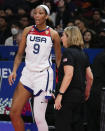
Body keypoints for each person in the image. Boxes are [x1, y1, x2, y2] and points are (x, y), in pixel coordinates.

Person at [8, 5, 61, 131]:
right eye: (35, 13)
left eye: (40, 13)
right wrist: (14, 70)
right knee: (14, 113)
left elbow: (58, 59)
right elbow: (19, 54)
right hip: (27, 74)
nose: (37, 15)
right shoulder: (27, 30)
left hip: (43, 76)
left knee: (39, 118)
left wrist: (60, 82)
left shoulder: (53, 34)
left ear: (46, 16)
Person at [55, 26, 93, 131]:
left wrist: (60, 94)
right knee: (77, 127)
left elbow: (69, 74)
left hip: (67, 96)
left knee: (63, 126)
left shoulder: (68, 52)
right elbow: (90, 77)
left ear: (69, 37)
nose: (61, 38)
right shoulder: (83, 53)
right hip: (79, 96)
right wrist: (87, 92)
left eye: (63, 36)